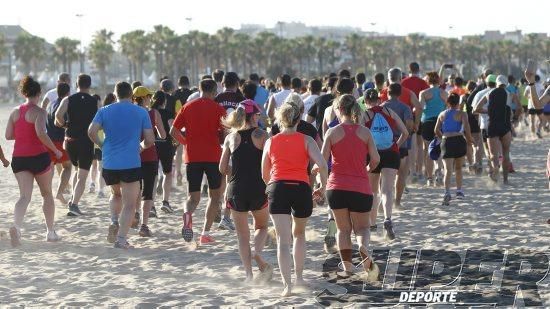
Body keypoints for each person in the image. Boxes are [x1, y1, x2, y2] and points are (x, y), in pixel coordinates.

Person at [262, 101, 328, 297]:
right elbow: (323, 165)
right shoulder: (307, 140)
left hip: (278, 187)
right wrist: (322, 187)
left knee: (283, 240)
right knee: (299, 234)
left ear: (280, 119)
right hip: (301, 188)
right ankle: (299, 278)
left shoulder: (270, 141)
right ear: (299, 118)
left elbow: (264, 173)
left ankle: (287, 286)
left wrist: (270, 187)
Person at [88, 81, 155, 249]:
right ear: (131, 95)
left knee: (116, 194)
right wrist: (140, 147)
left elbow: (91, 132)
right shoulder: (141, 112)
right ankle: (121, 239)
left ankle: (114, 220)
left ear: (115, 94)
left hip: (110, 162)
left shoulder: (104, 110)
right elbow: (150, 140)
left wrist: (102, 144)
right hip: (131, 161)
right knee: (130, 204)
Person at [321, 94, 380, 280]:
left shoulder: (332, 132)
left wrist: (318, 180)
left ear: (339, 110)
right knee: (362, 229)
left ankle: (347, 267)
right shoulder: (365, 132)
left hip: (336, 187)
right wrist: (366, 169)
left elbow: (323, 162)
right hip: (360, 186)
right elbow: (376, 159)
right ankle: (363, 248)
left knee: (342, 229)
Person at [219, 99, 273, 283]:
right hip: (258, 187)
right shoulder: (262, 135)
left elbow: (222, 168)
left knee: (242, 235)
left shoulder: (230, 137)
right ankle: (257, 253)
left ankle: (249, 275)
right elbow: (271, 162)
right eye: (258, 114)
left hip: (236, 189)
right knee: (262, 226)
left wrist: (235, 172)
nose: (259, 117)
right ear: (252, 115)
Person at [6, 76, 63, 247]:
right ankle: (50, 232)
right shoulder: (40, 112)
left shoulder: (15, 112)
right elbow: (41, 133)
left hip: (19, 158)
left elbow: (8, 135)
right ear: (38, 93)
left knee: (24, 196)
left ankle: (16, 226)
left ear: (24, 93)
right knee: (47, 194)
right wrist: (55, 150)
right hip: (38, 157)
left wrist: (23, 135)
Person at [171, 79, 226, 245]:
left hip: (192, 157)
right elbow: (224, 133)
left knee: (192, 197)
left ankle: (188, 216)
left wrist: (186, 143)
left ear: (200, 89)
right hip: (213, 156)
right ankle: (205, 233)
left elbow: (173, 131)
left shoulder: (187, 107)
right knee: (214, 196)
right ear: (213, 91)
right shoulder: (218, 109)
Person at [364, 89, 409, 240]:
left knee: (373, 191)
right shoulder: (389, 111)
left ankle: (372, 224)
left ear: (365, 102)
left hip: (373, 154)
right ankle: (388, 219)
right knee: (387, 190)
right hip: (391, 153)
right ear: (379, 99)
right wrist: (396, 145)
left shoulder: (365, 114)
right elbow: (405, 132)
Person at [55, 74, 99, 217]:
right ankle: (74, 205)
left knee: (76, 170)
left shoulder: (68, 99)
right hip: (86, 141)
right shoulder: (94, 101)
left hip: (70, 141)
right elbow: (98, 121)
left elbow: (57, 115)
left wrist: (65, 124)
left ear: (76, 84)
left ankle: (72, 199)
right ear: (89, 85)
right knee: (82, 176)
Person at [133, 86, 166, 237]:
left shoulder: (130, 113)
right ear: (145, 98)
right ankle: (144, 225)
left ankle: (134, 213)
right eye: (148, 96)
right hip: (149, 155)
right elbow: (163, 135)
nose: (150, 99)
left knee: (134, 189)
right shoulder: (154, 113)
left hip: (132, 156)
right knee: (148, 192)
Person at [474, 75, 513, 184]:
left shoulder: (489, 93)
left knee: (493, 154)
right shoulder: (509, 94)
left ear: (496, 83)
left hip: (492, 125)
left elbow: (476, 108)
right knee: (506, 153)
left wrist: (488, 111)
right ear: (505, 84)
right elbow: (516, 110)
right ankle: (505, 179)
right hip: (505, 126)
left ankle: (495, 168)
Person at [435, 93, 473, 205]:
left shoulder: (442, 114)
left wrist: (442, 136)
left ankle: (447, 192)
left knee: (447, 170)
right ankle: (459, 191)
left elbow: (436, 129)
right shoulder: (462, 114)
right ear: (458, 103)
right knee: (459, 168)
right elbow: (466, 128)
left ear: (448, 102)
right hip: (459, 140)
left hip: (447, 141)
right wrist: (470, 139)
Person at [381, 84, 413, 209]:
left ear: (387, 93)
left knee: (382, 175)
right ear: (399, 94)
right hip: (401, 143)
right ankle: (397, 202)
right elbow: (409, 125)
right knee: (401, 174)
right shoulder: (405, 107)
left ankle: (380, 203)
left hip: (383, 144)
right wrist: (407, 134)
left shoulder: (381, 107)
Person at [419, 72, 447, 186]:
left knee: (428, 150)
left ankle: (430, 178)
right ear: (439, 81)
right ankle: (439, 171)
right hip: (440, 123)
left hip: (427, 122)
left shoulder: (424, 93)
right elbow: (447, 108)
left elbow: (420, 108)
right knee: (439, 149)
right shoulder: (444, 93)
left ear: (428, 81)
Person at [45, 82, 72, 205]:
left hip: (49, 141)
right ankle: (60, 192)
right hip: (60, 141)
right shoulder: (64, 104)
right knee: (67, 167)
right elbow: (61, 120)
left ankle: (47, 193)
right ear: (68, 93)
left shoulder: (51, 104)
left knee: (49, 168)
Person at [157, 79, 177, 211]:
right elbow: (173, 126)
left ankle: (151, 204)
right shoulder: (173, 103)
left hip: (152, 143)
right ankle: (165, 201)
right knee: (168, 173)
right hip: (167, 143)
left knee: (152, 175)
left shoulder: (151, 110)